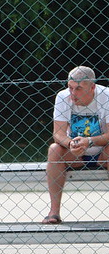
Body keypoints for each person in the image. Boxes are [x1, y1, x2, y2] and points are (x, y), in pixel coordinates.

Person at [43, 66, 109, 224]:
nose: (73, 93)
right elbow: (58, 133)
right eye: (70, 87)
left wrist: (90, 141)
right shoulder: (63, 97)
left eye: (78, 88)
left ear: (92, 87)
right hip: (75, 154)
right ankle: (54, 212)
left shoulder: (106, 96)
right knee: (54, 149)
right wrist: (70, 143)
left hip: (103, 152)